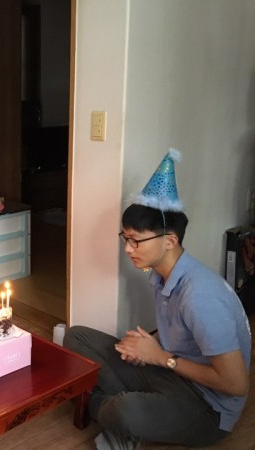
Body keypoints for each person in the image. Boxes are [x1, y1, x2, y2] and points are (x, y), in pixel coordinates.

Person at [63, 149, 251, 449]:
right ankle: (111, 409)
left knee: (125, 411)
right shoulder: (161, 275)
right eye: (125, 238)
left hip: (207, 406)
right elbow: (180, 343)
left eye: (136, 240)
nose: (128, 249)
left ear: (170, 241)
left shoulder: (200, 295)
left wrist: (160, 357)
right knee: (76, 337)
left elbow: (236, 384)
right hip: (170, 372)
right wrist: (148, 350)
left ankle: (97, 406)